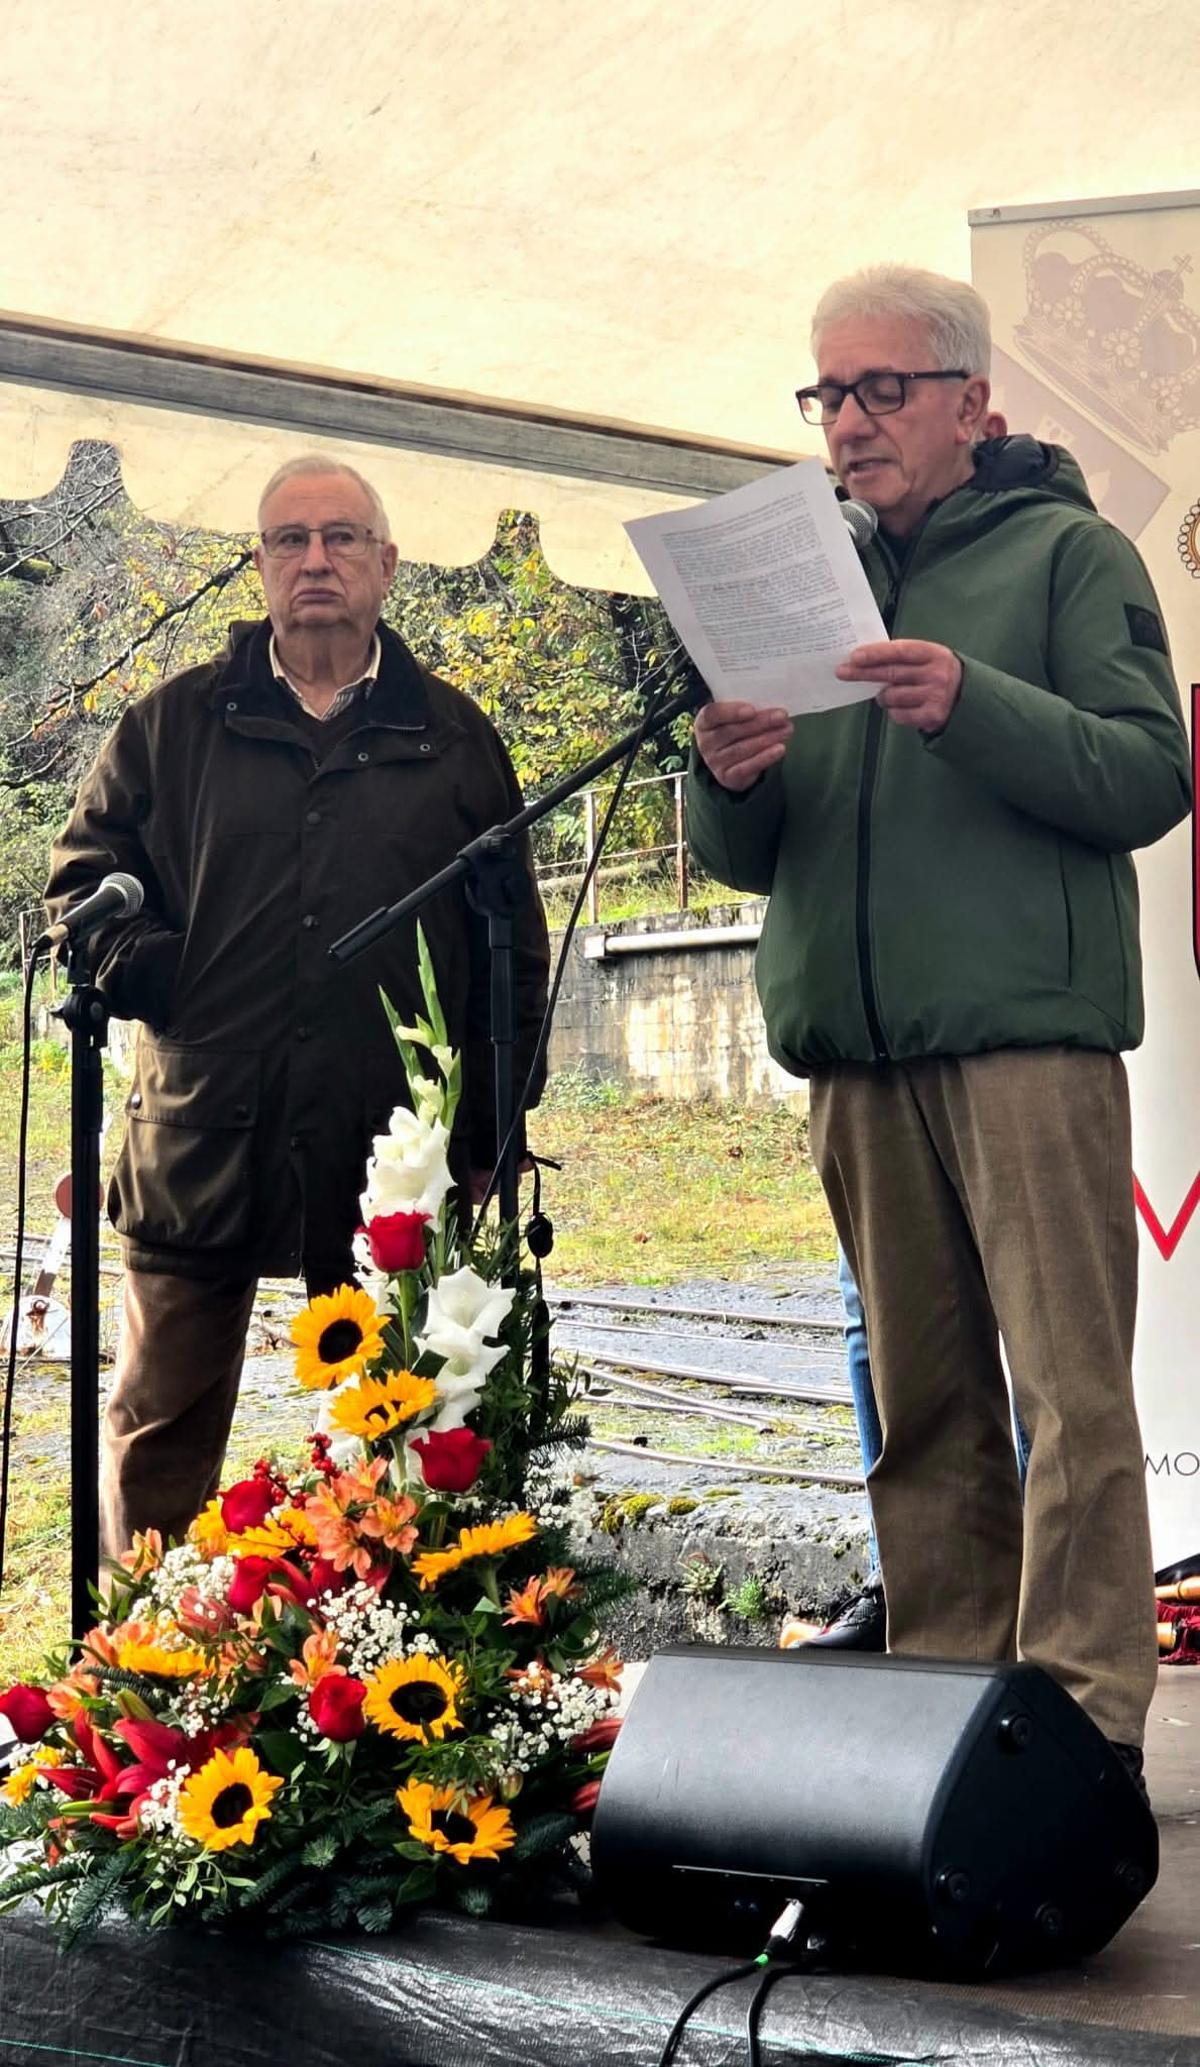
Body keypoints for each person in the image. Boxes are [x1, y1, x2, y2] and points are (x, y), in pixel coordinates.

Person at [687, 265, 1191, 1776]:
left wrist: (971, 698)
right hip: (856, 1049)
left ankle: (1084, 1725)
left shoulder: (1070, 557)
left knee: (1070, 1396)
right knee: (922, 1410)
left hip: (1025, 1039)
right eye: (826, 393)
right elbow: (748, 858)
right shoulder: (801, 585)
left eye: (879, 389)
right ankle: (946, 1722)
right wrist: (729, 775)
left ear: (971, 403)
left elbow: (1148, 775)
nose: (848, 422)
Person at [46, 456, 550, 1560]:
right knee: (157, 1434)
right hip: (198, 1136)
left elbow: (510, 953)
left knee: (405, 1430)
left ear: (387, 563)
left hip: (392, 1152)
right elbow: (79, 890)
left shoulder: (455, 742)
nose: (314, 560)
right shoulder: (168, 727)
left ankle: (382, 1675)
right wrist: (168, 972)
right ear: (261, 566)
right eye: (288, 540)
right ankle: (140, 1691)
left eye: (338, 538)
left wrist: (489, 1134)